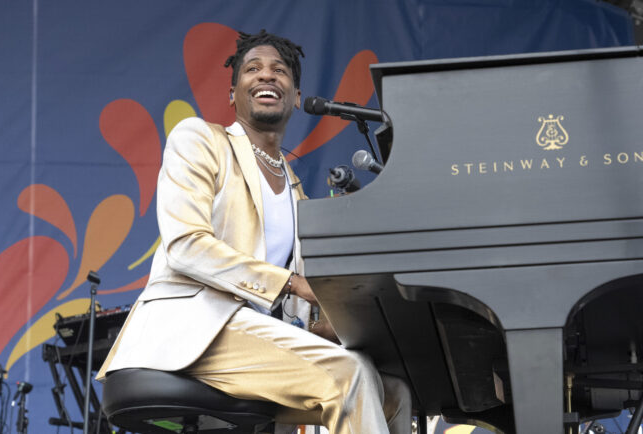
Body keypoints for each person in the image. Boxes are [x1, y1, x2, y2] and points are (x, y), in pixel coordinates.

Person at [97, 30, 411, 434]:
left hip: (257, 337)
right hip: (194, 327)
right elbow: (186, 246)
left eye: (280, 71)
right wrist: (294, 284)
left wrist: (333, 322)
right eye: (253, 69)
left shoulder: (296, 189)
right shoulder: (199, 139)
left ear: (296, 96)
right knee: (346, 375)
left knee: (394, 392)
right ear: (233, 94)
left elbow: (293, 305)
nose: (267, 76)